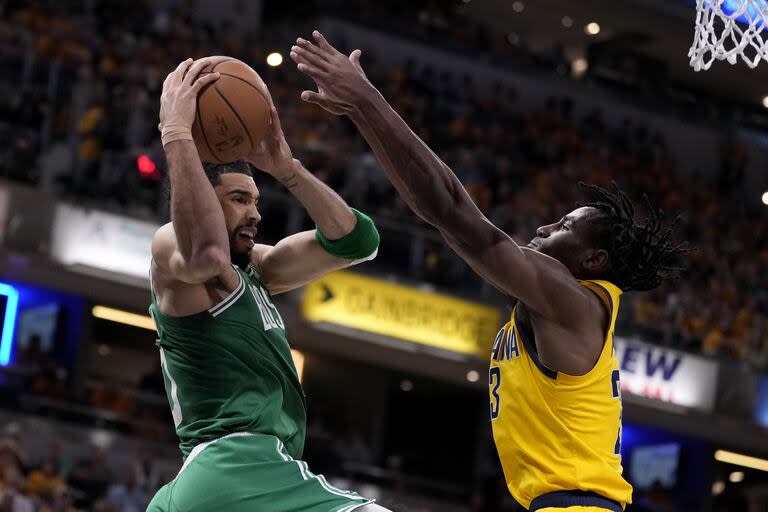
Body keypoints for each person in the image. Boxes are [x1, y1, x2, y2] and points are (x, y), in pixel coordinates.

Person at [291, 32, 687, 512]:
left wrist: (368, 99)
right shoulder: (554, 306)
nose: (542, 227)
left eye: (563, 226)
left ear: (594, 261)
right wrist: (359, 113)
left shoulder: (572, 301)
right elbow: (437, 214)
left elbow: (453, 210)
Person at [146, 57, 389, 512]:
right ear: (200, 201)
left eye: (256, 200)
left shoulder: (259, 269)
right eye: (239, 200)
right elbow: (206, 255)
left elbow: (359, 242)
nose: (256, 213)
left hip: (236, 481)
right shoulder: (169, 247)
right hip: (236, 464)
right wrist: (177, 133)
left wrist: (288, 170)